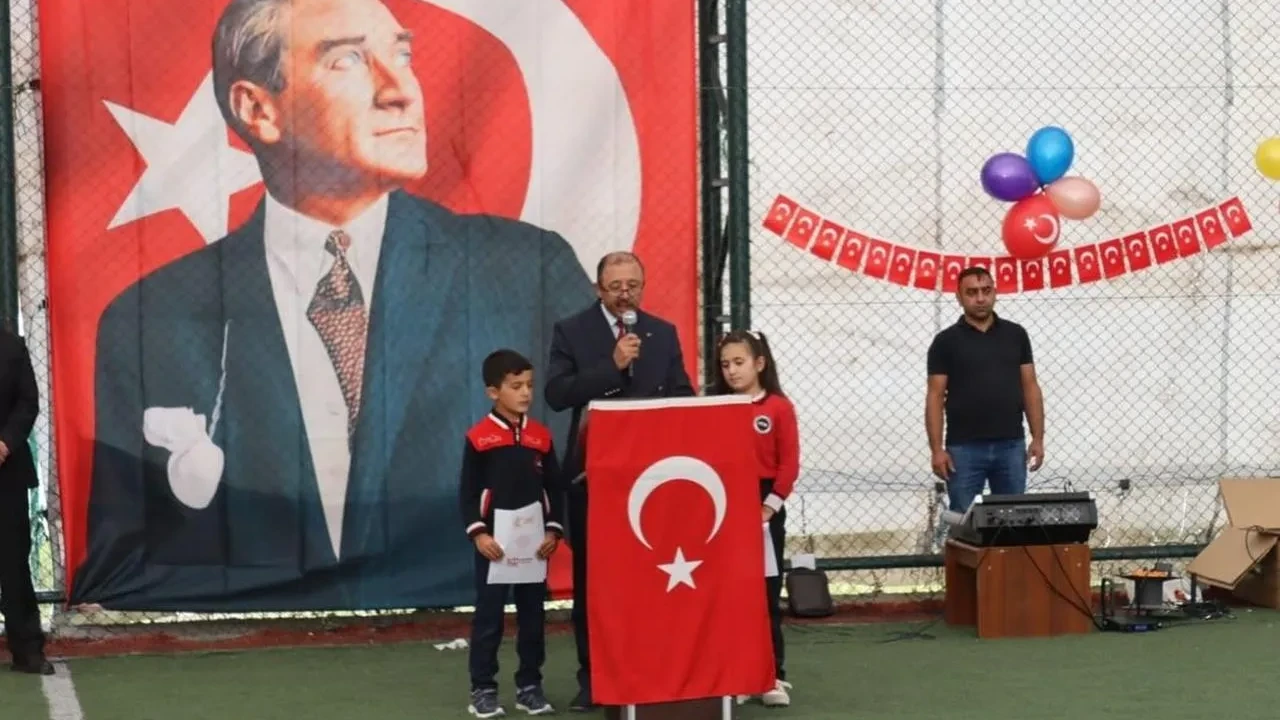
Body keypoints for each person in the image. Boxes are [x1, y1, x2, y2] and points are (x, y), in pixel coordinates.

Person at [72, 0, 595, 611]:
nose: (401, 90)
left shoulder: (527, 271)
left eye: (402, 53)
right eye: (347, 60)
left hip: (477, 610)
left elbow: (602, 464)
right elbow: (131, 551)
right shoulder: (149, 317)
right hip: (256, 644)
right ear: (257, 109)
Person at [544, 250, 694, 711]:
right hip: (593, 479)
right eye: (615, 287)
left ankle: (652, 671)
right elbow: (556, 394)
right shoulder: (572, 331)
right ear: (598, 289)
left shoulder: (662, 333)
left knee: (653, 577)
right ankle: (595, 678)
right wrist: (611, 367)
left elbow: (682, 396)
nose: (625, 294)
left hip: (652, 479)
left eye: (633, 285)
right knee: (596, 583)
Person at [460, 350, 563, 718]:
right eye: (516, 386)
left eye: (530, 385)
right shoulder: (479, 438)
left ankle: (530, 686)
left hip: (535, 548)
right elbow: (468, 493)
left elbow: (555, 488)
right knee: (489, 618)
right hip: (494, 548)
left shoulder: (541, 437)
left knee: (533, 617)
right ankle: (483, 689)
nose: (525, 393)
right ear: (493, 392)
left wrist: (553, 530)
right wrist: (479, 535)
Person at [713, 329, 799, 708]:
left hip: (764, 508)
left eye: (739, 362)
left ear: (759, 363)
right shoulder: (716, 408)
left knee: (765, 594)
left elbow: (789, 463)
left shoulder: (779, 408)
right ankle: (737, 675)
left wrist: (769, 507)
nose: (732, 371)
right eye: (725, 364)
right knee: (730, 594)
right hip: (725, 506)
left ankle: (772, 675)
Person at [925, 266, 1045, 513]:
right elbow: (935, 397)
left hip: (1011, 445)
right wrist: (937, 450)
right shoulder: (945, 342)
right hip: (963, 449)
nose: (980, 298)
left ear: (995, 293)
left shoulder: (1016, 335)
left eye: (986, 290)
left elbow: (1030, 386)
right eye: (972, 292)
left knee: (1012, 520)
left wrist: (1038, 438)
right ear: (959, 297)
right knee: (964, 520)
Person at [0, 327, 52, 675]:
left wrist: (5, 444)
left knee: (13, 563)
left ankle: (27, 651)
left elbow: (27, 402)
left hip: (7, 474)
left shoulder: (11, 347)